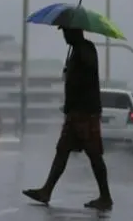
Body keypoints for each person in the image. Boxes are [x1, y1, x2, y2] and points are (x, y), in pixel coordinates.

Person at [22, 27, 113, 210]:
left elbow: (86, 76)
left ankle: (105, 197)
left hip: (86, 112)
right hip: (75, 112)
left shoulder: (85, 50)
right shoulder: (77, 51)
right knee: (62, 150)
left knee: (94, 154)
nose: (64, 36)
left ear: (75, 32)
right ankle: (46, 191)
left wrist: (73, 72)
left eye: (66, 32)